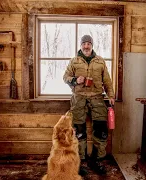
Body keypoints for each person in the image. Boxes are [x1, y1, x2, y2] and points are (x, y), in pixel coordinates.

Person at [63, 35, 115, 175]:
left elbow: (107, 81)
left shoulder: (100, 61)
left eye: (88, 44)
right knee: (78, 131)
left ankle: (97, 160)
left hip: (97, 98)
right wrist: (75, 80)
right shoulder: (74, 61)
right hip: (79, 98)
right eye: (84, 43)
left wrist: (111, 95)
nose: (86, 46)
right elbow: (65, 78)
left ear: (92, 45)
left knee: (101, 130)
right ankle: (80, 162)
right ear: (80, 45)